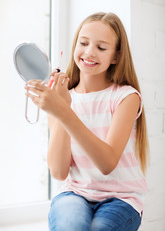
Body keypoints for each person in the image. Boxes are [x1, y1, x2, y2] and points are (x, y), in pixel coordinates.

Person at [25, 12, 149, 231]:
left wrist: (64, 111)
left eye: (101, 48)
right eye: (83, 43)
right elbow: (59, 171)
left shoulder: (126, 98)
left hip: (121, 198)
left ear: (116, 56)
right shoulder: (62, 97)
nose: (89, 52)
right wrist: (61, 107)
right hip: (75, 193)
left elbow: (106, 164)